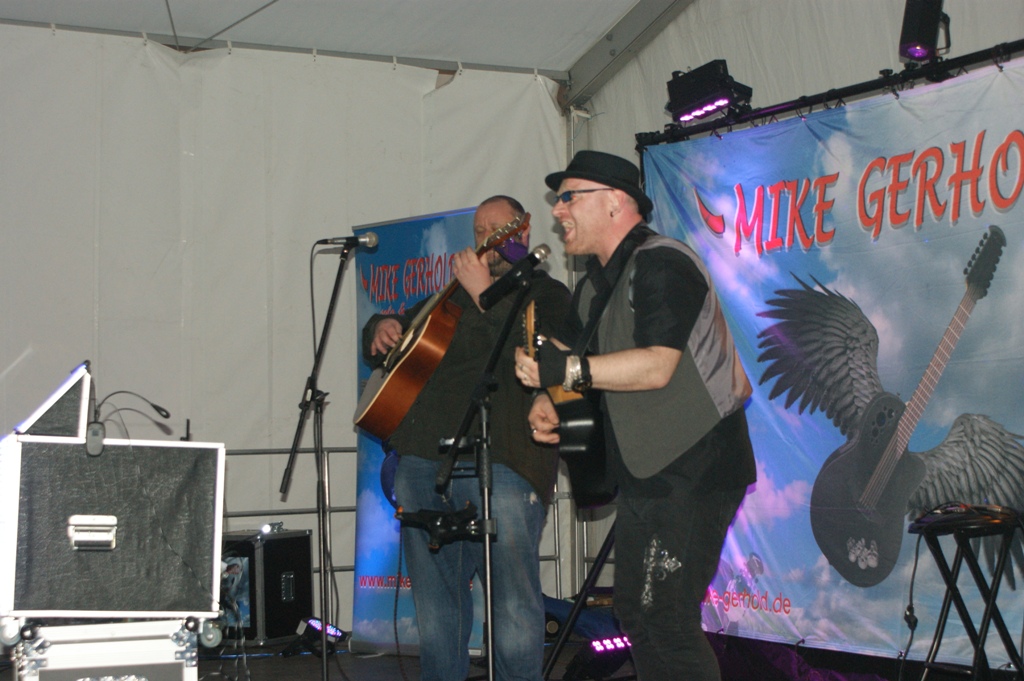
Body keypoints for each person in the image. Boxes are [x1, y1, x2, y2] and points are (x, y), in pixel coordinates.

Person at [514, 151, 756, 681]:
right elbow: (578, 365)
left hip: (697, 468)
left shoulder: (662, 263)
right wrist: (547, 398)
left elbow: (656, 366)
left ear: (615, 202)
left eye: (569, 196)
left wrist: (567, 371)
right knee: (637, 614)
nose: (557, 210)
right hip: (649, 473)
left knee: (665, 617)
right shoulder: (591, 287)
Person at [362, 195, 576, 681]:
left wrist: (485, 296)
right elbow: (391, 341)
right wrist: (380, 327)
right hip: (424, 460)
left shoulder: (548, 294)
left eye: (497, 229)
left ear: (521, 233)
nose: (486, 239)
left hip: (505, 460)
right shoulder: (450, 294)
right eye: (479, 231)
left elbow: (541, 360)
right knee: (437, 607)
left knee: (513, 603)